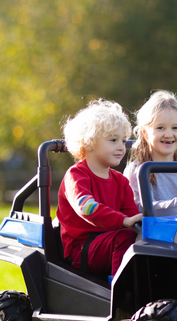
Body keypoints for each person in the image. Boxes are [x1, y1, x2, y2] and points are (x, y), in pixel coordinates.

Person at [56, 99, 142, 277]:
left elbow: (132, 217)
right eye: (113, 140)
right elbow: (87, 208)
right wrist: (123, 221)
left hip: (110, 243)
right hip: (82, 249)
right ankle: (122, 292)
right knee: (126, 236)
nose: (121, 147)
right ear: (88, 142)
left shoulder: (121, 181)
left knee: (141, 237)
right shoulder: (76, 175)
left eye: (123, 140)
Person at [123, 90, 177, 211]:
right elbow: (140, 208)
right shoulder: (138, 171)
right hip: (156, 229)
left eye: (175, 128)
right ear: (145, 132)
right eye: (160, 128)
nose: (168, 134)